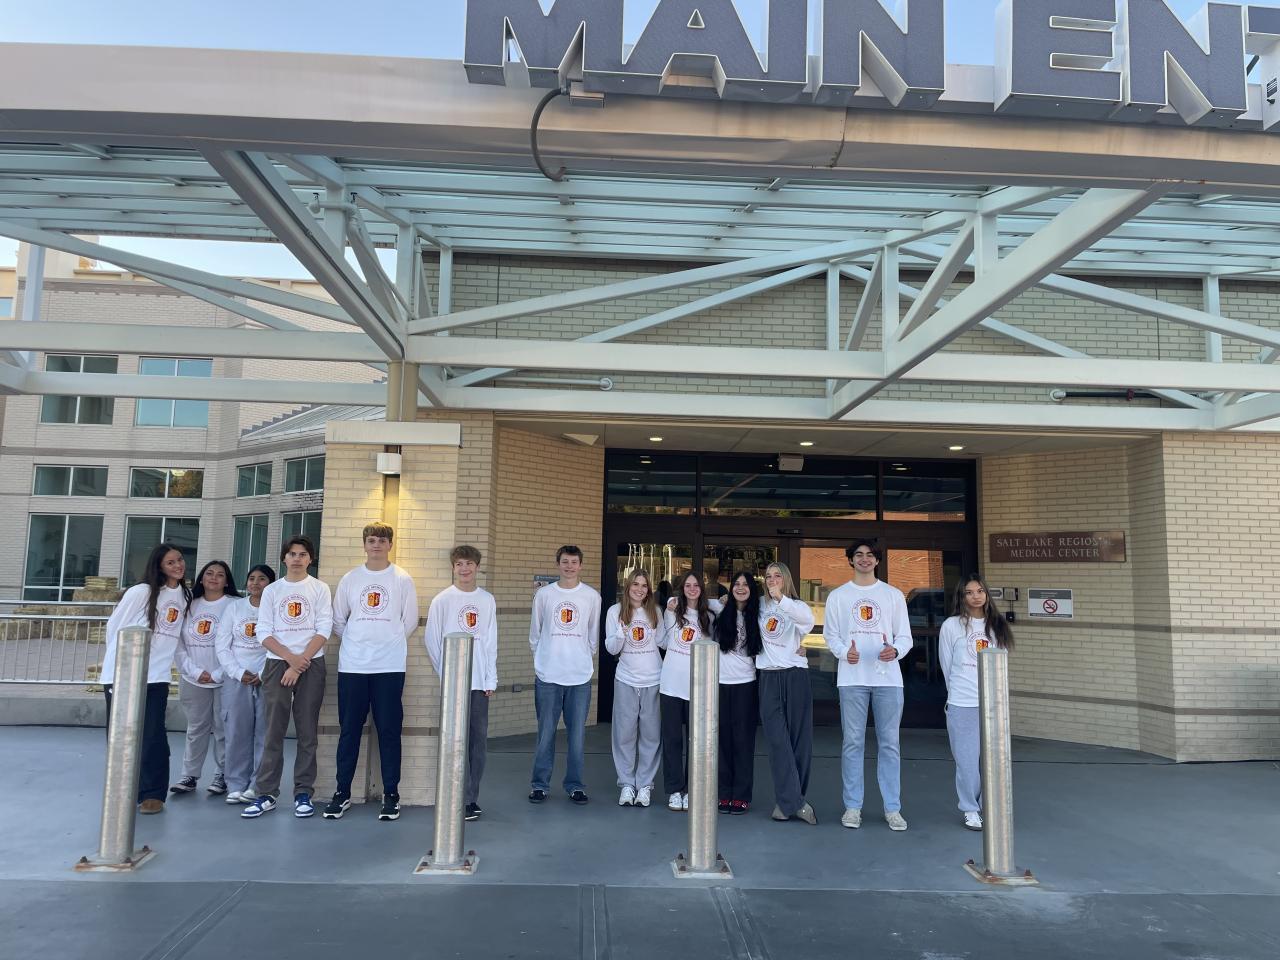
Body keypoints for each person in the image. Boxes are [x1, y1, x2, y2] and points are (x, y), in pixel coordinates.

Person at [322, 522, 418, 823]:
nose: (377, 544)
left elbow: (410, 621)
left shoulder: (402, 579)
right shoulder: (351, 579)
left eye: (382, 540)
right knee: (349, 730)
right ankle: (342, 793)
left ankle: (391, 795)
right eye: (372, 540)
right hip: (353, 666)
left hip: (389, 666)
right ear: (364, 544)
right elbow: (338, 621)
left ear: (390, 545)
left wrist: (387, 642)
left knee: (389, 731)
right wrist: (356, 641)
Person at [822, 539, 913, 832]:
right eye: (858, 555)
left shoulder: (893, 595)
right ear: (850, 560)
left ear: (877, 560)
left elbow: (905, 637)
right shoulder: (838, 596)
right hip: (852, 679)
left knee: (890, 744)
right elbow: (830, 635)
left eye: (870, 555)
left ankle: (892, 808)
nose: (864, 559)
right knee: (852, 743)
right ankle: (853, 807)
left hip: (888, 680)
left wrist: (895, 651)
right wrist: (842, 652)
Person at [242, 536, 332, 819]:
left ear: (310, 559)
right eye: (292, 554)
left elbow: (324, 628)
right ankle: (266, 793)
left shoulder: (319, 588)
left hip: (310, 664)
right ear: (284, 558)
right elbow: (263, 631)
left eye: (302, 554)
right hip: (277, 664)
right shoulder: (272, 590)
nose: (297, 559)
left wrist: (299, 662)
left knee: (307, 732)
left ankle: (303, 793)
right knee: (273, 731)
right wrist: (290, 660)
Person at [100, 543, 191, 815]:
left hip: (157, 676)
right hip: (124, 674)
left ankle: (152, 792)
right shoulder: (142, 592)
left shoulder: (184, 595)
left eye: (180, 560)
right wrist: (117, 667)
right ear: (159, 566)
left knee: (153, 735)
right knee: (121, 735)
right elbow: (114, 628)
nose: (178, 565)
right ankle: (125, 789)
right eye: (170, 562)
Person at [425, 544, 497, 822]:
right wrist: (447, 674)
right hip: (454, 683)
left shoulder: (486, 600)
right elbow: (432, 641)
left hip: (479, 683)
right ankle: (452, 796)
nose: (464, 569)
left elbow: (490, 641)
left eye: (469, 564)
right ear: (453, 568)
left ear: (477, 567)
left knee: (477, 743)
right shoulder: (443, 600)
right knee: (454, 741)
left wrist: (490, 677)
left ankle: (470, 798)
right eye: (459, 564)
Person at [940, 573, 1014, 832]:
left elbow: (1002, 664)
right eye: (969, 592)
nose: (975, 596)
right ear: (961, 597)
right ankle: (970, 808)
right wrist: (956, 695)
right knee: (967, 761)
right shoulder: (952, 626)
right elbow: (946, 665)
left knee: (995, 760)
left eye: (980, 591)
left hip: (993, 702)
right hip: (962, 703)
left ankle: (991, 807)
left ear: (986, 594)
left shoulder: (997, 626)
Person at [528, 545, 600, 805]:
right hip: (548, 676)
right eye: (565, 562)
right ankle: (539, 785)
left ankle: (575, 785)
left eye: (574, 562)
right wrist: (543, 661)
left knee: (577, 736)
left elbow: (593, 635)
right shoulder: (544, 594)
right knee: (546, 734)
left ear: (581, 565)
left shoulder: (591, 596)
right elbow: (535, 633)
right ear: (558, 564)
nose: (570, 566)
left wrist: (582, 658)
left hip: (579, 677)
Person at [170, 560, 240, 797]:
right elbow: (177, 643)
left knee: (223, 729)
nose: (214, 578)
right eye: (209, 573)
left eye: (220, 575)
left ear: (227, 581)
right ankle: (189, 776)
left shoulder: (234, 605)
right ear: (201, 577)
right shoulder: (188, 604)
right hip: (193, 679)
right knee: (196, 728)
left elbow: (239, 644)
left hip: (225, 678)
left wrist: (219, 672)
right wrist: (196, 672)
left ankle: (223, 774)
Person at [756, 562, 818, 824]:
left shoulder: (796, 606)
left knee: (799, 741)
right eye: (768, 576)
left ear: (786, 579)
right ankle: (797, 803)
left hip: (795, 675)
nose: (772, 580)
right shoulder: (760, 605)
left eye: (777, 576)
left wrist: (780, 598)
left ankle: (786, 804)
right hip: (769, 676)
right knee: (777, 741)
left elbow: (808, 622)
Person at [660, 570, 722, 812]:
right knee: (672, 740)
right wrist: (670, 604)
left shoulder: (709, 615)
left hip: (698, 686)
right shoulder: (672, 611)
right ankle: (675, 790)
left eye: (696, 585)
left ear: (702, 588)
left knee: (696, 741)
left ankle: (692, 789)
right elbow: (664, 641)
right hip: (671, 684)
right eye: (688, 585)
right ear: (682, 589)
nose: (692, 589)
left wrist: (721, 600)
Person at [215, 563, 275, 804]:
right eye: (252, 578)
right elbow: (222, 645)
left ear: (271, 584)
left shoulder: (275, 609)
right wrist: (238, 672)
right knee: (236, 732)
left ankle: (256, 785)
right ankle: (236, 784)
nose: (256, 583)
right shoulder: (234, 608)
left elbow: (280, 643)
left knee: (264, 733)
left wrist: (263, 672)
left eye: (262, 579)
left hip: (266, 678)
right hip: (236, 679)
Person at [602, 568, 662, 808]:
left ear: (649, 590)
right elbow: (612, 649)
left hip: (653, 680)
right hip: (626, 680)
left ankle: (644, 785)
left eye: (644, 585)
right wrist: (620, 633)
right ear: (628, 586)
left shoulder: (655, 611)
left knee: (651, 736)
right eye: (636, 584)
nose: (639, 589)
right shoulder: (615, 611)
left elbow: (664, 641)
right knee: (624, 735)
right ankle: (627, 784)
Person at [712, 571, 762, 815]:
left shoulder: (759, 614)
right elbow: (693, 600)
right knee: (722, 740)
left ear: (752, 589)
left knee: (743, 741)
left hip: (746, 683)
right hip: (720, 683)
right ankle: (724, 793)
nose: (740, 588)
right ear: (730, 588)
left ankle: (741, 795)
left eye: (745, 584)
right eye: (736, 584)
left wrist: (799, 647)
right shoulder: (720, 610)